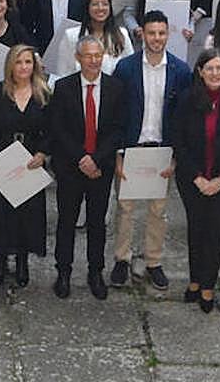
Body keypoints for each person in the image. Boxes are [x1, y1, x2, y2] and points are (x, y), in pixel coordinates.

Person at [109, 10, 192, 290]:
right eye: (152, 33)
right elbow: (116, 113)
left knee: (158, 210)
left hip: (161, 150)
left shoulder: (181, 71)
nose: (157, 38)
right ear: (142, 34)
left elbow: (184, 118)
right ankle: (122, 259)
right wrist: (118, 153)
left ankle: (154, 261)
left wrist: (177, 156)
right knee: (125, 208)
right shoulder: (126, 68)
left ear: (168, 34)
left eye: (161, 33)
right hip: (131, 147)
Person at [50, 37, 126, 299]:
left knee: (97, 222)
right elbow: (58, 129)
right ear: (78, 58)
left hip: (100, 168)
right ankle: (63, 271)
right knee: (66, 221)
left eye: (97, 55)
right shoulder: (63, 88)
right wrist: (82, 158)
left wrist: (96, 159)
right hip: (71, 167)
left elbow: (117, 129)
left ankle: (96, 272)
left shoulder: (116, 88)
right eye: (88, 55)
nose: (93, 60)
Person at [173, 49, 220, 312]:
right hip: (192, 179)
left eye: (219, 68)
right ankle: (194, 280)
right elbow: (179, 141)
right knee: (196, 229)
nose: (215, 73)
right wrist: (196, 177)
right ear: (200, 72)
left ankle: (208, 286)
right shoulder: (187, 100)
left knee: (215, 232)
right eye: (209, 68)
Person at [0, 44, 52, 288]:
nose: (23, 67)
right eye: (19, 62)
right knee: (1, 213)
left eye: (28, 62)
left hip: (31, 161)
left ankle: (22, 259)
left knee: (27, 214)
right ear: (10, 65)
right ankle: (1, 259)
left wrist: (43, 153)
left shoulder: (44, 94)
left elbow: (52, 129)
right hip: (3, 159)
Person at [55, 0, 133, 75]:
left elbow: (130, 68)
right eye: (95, 4)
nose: (100, 8)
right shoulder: (71, 36)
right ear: (87, 7)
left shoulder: (122, 34)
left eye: (105, 4)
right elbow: (62, 72)